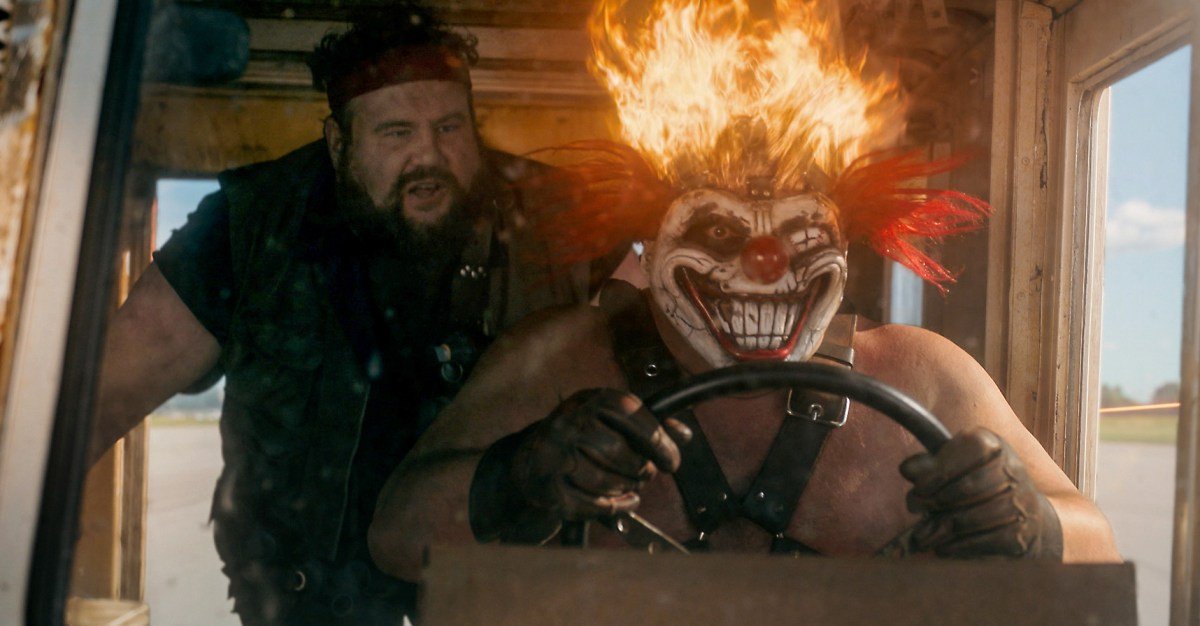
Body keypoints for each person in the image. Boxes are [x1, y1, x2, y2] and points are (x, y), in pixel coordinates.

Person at [367, 143, 1122, 583]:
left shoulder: (921, 372)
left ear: (844, 248)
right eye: (720, 233)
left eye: (801, 235)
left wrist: (1035, 528)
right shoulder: (562, 357)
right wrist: (517, 477)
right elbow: (396, 538)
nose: (766, 265)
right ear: (650, 246)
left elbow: (1098, 549)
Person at [91, 5, 619, 624]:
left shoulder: (560, 220)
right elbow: (95, 400)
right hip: (305, 597)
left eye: (449, 128)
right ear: (338, 143)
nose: (429, 157)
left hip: (497, 593)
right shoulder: (249, 229)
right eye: (396, 133)